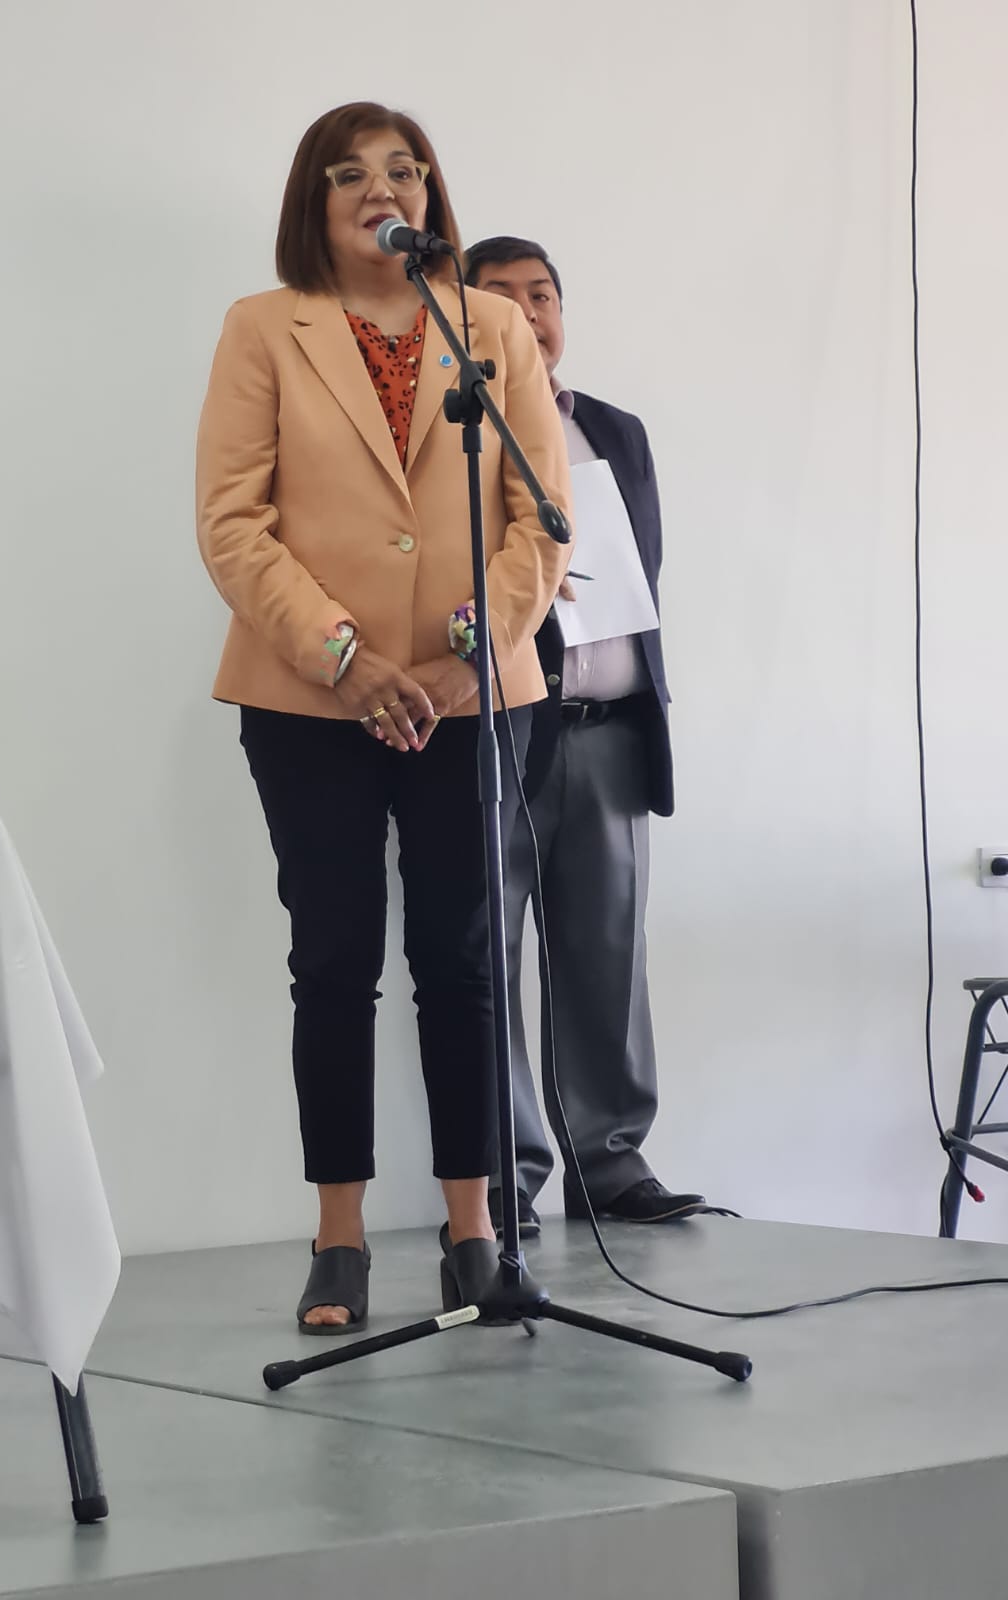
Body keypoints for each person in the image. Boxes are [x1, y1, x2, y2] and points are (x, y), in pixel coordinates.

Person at [196, 114, 570, 1332]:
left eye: (402, 170)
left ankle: (474, 1230)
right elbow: (232, 522)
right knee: (334, 960)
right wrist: (345, 659)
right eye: (349, 173)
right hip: (311, 700)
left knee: (462, 960)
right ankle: (340, 1238)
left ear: (431, 195)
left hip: (471, 696)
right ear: (312, 200)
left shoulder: (489, 324)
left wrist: (472, 657)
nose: (380, 188)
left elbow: (540, 515)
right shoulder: (265, 327)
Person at [464, 236, 706, 1233]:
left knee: (607, 953)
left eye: (544, 295)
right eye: (504, 297)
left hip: (609, 734)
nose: (531, 314)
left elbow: (641, 572)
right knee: (483, 960)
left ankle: (610, 1164)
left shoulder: (615, 430)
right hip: (496, 734)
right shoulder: (452, 433)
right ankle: (500, 1181)